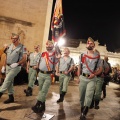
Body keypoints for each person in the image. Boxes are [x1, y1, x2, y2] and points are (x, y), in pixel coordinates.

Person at [31, 40, 61, 113]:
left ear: (52, 46)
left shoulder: (54, 54)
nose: (49, 46)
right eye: (47, 45)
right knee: (41, 90)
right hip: (41, 74)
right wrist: (35, 67)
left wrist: (57, 71)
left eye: (50, 45)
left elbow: (57, 63)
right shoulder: (42, 54)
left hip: (49, 75)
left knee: (44, 91)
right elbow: (38, 62)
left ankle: (37, 104)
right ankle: (42, 106)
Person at [77, 37, 103, 120]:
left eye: (91, 43)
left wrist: (94, 74)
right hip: (83, 77)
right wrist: (78, 77)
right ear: (86, 45)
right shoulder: (82, 55)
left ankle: (84, 113)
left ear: (94, 45)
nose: (89, 44)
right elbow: (79, 67)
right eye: (88, 43)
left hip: (92, 79)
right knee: (82, 96)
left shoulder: (98, 57)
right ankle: (82, 110)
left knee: (89, 95)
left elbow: (100, 69)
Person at [0, 33, 27, 104]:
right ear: (11, 38)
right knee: (10, 82)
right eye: (13, 38)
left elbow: (24, 58)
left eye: (16, 39)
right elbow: (6, 56)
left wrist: (17, 63)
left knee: (7, 80)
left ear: (18, 39)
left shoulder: (22, 47)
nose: (14, 40)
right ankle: (11, 97)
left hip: (16, 67)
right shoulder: (9, 46)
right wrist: (4, 66)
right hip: (8, 66)